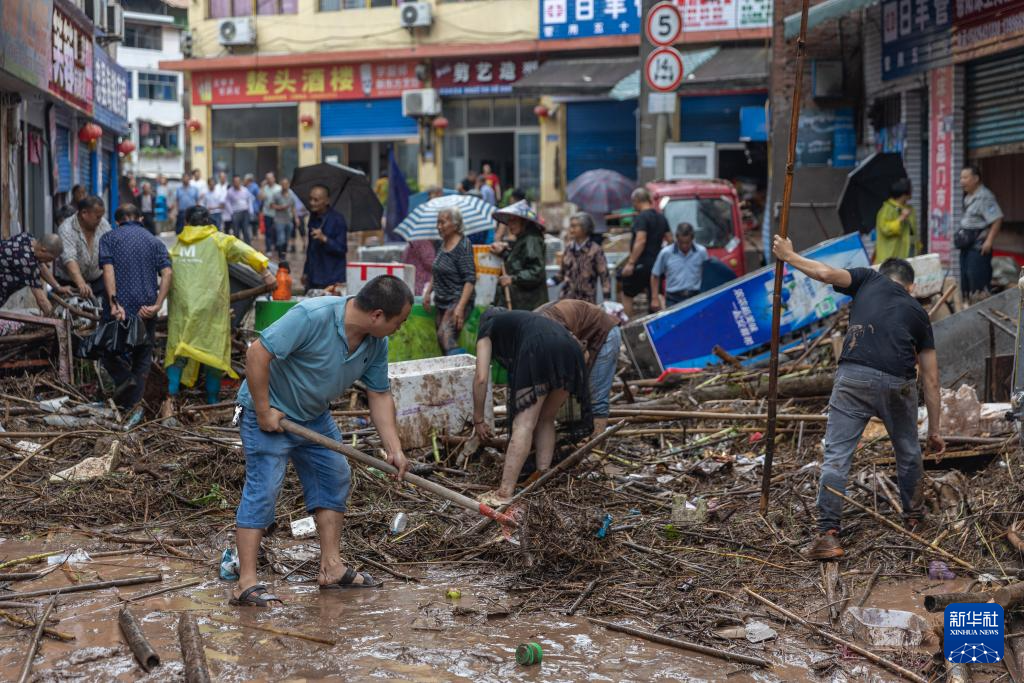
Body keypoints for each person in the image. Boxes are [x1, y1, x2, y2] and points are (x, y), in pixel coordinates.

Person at [231, 276, 413, 606]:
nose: (399, 329)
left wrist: (394, 449)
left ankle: (331, 567)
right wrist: (262, 411)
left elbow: (380, 394)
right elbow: (257, 353)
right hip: (271, 415)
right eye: (398, 322)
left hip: (313, 416)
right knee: (264, 488)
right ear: (376, 315)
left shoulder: (375, 343)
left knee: (335, 474)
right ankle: (245, 582)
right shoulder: (312, 316)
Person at [771, 236, 944, 560]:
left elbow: (824, 273)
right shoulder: (918, 312)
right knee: (908, 451)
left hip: (853, 376)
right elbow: (932, 381)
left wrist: (790, 256)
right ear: (911, 285)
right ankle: (914, 520)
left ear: (883, 273)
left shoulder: (867, 278)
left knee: (837, 455)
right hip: (898, 381)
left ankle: (829, 535)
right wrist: (934, 431)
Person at [471, 308, 591, 506]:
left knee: (524, 424)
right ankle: (542, 476)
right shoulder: (523, 319)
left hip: (538, 349)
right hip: (571, 350)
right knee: (546, 418)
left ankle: (504, 493)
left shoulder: (487, 327)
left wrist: (478, 419)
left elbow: (481, 378)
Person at [163, 207, 274, 416]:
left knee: (178, 350)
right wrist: (265, 271)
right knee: (211, 351)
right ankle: (212, 402)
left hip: (182, 308)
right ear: (209, 222)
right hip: (210, 307)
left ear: (186, 221)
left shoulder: (178, 245)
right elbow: (246, 252)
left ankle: (171, 397)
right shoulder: (219, 240)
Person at [99, 204, 172, 416]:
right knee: (142, 357)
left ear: (117, 221)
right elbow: (167, 274)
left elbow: (108, 270)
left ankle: (127, 387)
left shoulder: (109, 239)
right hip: (146, 311)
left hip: (119, 310)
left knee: (107, 352)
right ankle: (134, 406)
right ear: (139, 218)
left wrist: (114, 302)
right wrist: (158, 304)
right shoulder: (154, 242)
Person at [537, 299, 621, 435]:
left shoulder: (551, 330)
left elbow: (584, 355)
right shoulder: (532, 334)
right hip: (579, 336)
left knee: (596, 396)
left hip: (603, 334)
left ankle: (595, 447)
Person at [422, 207, 476, 356]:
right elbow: (437, 270)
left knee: (445, 336)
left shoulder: (463, 245)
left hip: (457, 299)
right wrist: (428, 293)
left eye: (443, 222)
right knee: (443, 341)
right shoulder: (442, 244)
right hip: (441, 300)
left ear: (456, 224)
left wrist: (460, 307)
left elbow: (470, 279)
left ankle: (467, 369)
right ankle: (451, 374)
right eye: (437, 222)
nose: (439, 226)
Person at [618, 188, 669, 317]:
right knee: (655, 296)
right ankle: (662, 324)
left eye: (633, 202)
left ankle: (628, 326)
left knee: (626, 292)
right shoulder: (661, 217)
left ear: (637, 201)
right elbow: (670, 240)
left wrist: (631, 263)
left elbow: (640, 241)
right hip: (658, 265)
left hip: (642, 264)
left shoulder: (641, 218)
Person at [490, 201, 548, 310]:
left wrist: (512, 279)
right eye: (509, 221)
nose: (510, 225)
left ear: (524, 222)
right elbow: (518, 262)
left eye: (513, 221)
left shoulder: (531, 240)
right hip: (521, 302)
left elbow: (535, 272)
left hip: (529, 304)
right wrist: (503, 253)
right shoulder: (523, 239)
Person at [958, 165, 1004, 299]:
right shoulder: (968, 197)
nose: (962, 181)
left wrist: (989, 241)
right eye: (961, 178)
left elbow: (997, 218)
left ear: (976, 179)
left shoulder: (985, 196)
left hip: (979, 248)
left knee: (978, 283)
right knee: (966, 280)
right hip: (967, 246)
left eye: (965, 177)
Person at [56, 196, 112, 299]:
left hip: (97, 281)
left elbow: (110, 251)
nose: (100, 220)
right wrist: (81, 284)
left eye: (101, 216)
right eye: (97, 217)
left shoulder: (103, 224)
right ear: (84, 213)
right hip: (70, 284)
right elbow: (69, 259)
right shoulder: (66, 229)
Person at [0, 232, 65, 314]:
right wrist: (55, 319)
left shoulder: (27, 237)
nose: (50, 263)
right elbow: (41, 300)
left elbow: (40, 266)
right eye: (50, 259)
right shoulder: (27, 262)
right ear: (43, 250)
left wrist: (58, 287)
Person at [650, 222, 708, 311]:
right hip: (673, 298)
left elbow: (708, 273)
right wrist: (654, 298)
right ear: (677, 238)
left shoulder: (701, 252)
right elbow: (655, 275)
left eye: (687, 243)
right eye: (681, 243)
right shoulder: (666, 253)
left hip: (695, 296)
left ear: (692, 239)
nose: (684, 246)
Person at [554, 212, 610, 304]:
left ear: (585, 228)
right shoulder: (568, 249)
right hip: (566, 299)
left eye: (574, 226)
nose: (571, 230)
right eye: (570, 226)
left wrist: (607, 299)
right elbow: (561, 274)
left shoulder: (595, 250)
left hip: (586, 301)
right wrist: (547, 283)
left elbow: (605, 277)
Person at [303, 185, 348, 291]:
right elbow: (310, 248)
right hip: (313, 277)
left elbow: (342, 249)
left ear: (326, 201)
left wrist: (324, 239)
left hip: (331, 277)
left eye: (316, 200)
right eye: (310, 199)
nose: (312, 203)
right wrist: (305, 272)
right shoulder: (313, 218)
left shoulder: (338, 220)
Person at [874, 178, 918, 264]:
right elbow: (885, 229)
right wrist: (901, 218)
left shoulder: (909, 208)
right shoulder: (887, 209)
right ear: (904, 193)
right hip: (890, 256)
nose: (912, 191)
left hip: (908, 254)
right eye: (910, 189)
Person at [269, 178, 296, 260]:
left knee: (287, 238)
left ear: (288, 184)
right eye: (283, 184)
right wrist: (281, 207)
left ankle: (283, 254)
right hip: (279, 220)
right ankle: (281, 256)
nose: (284, 186)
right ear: (281, 185)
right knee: (281, 239)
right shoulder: (276, 194)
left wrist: (296, 218)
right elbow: (271, 205)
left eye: (286, 184)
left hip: (288, 219)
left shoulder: (292, 194)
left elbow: (293, 207)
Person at [226, 175, 253, 244]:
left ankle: (248, 248)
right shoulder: (230, 191)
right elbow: (227, 202)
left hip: (245, 212)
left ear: (240, 182)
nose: (236, 183)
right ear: (233, 182)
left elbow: (249, 200)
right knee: (236, 231)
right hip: (235, 213)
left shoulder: (245, 190)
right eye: (235, 181)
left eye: (238, 181)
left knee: (246, 231)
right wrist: (231, 212)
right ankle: (237, 248)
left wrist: (251, 211)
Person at [260, 172, 282, 252]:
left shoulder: (279, 188)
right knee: (268, 231)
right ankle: (268, 249)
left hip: (277, 214)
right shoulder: (265, 188)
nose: (269, 180)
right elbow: (261, 198)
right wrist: (262, 187)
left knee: (277, 231)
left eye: (270, 178)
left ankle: (277, 247)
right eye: (267, 178)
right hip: (267, 213)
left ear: (274, 178)